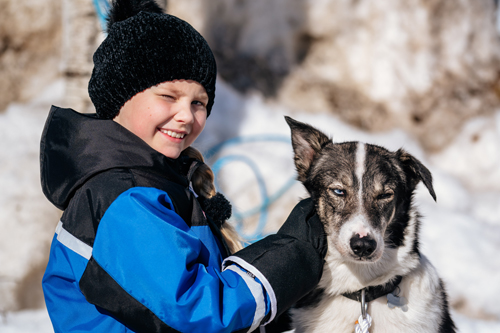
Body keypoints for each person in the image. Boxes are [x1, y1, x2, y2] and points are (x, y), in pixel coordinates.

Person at [40, 0, 327, 332]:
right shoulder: (124, 198)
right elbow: (195, 311)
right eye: (168, 96)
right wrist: (295, 253)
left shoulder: (158, 183)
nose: (186, 116)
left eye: (199, 102)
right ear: (120, 95)